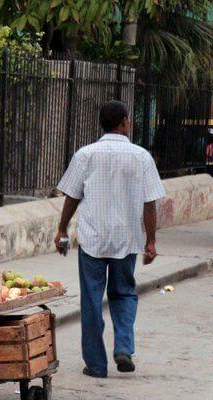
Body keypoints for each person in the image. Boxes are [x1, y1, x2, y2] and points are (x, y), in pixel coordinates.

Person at [55, 100, 165, 378]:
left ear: (102, 123)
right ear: (126, 121)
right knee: (125, 293)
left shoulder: (85, 155)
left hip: (93, 239)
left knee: (91, 300)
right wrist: (150, 241)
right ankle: (123, 348)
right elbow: (150, 203)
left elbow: (72, 196)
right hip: (126, 240)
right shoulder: (141, 156)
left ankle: (96, 364)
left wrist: (62, 229)